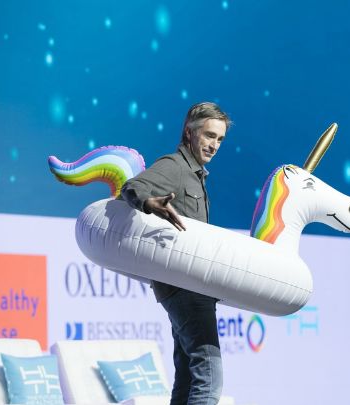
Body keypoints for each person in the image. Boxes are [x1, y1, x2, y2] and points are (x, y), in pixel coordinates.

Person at [120, 102, 231, 405]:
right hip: (184, 289)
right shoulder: (175, 167)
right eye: (209, 136)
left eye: (220, 139)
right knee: (208, 378)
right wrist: (148, 203)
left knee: (187, 378)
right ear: (190, 132)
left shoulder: (196, 176)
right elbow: (133, 186)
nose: (214, 145)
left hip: (193, 287)